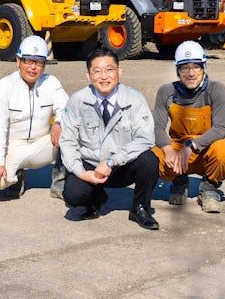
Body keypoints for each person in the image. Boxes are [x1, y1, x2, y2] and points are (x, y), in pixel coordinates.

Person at [60, 48, 160, 230]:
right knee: (73, 195)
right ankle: (95, 199)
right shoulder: (77, 100)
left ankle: (140, 208)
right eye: (97, 71)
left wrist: (113, 161)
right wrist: (81, 173)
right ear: (88, 75)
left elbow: (145, 138)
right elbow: (67, 141)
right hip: (91, 166)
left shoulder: (134, 99)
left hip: (122, 165)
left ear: (119, 71)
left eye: (109, 70)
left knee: (149, 160)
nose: (104, 76)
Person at [152, 41, 225, 213]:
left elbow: (221, 128)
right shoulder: (166, 91)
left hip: (205, 151)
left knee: (224, 150)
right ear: (177, 71)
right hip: (178, 152)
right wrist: (168, 150)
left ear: (204, 68)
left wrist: (191, 146)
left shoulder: (215, 89)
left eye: (196, 67)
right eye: (185, 68)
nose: (191, 73)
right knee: (151, 157)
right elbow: (157, 128)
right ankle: (179, 180)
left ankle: (209, 187)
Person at [0, 35, 68, 198]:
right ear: (18, 61)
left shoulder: (51, 83)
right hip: (13, 146)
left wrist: (59, 122)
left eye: (38, 62)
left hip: (42, 144)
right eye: (28, 60)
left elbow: (67, 108)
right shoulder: (5, 86)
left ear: (44, 65)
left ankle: (60, 182)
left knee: (71, 131)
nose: (33, 67)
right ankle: (16, 176)